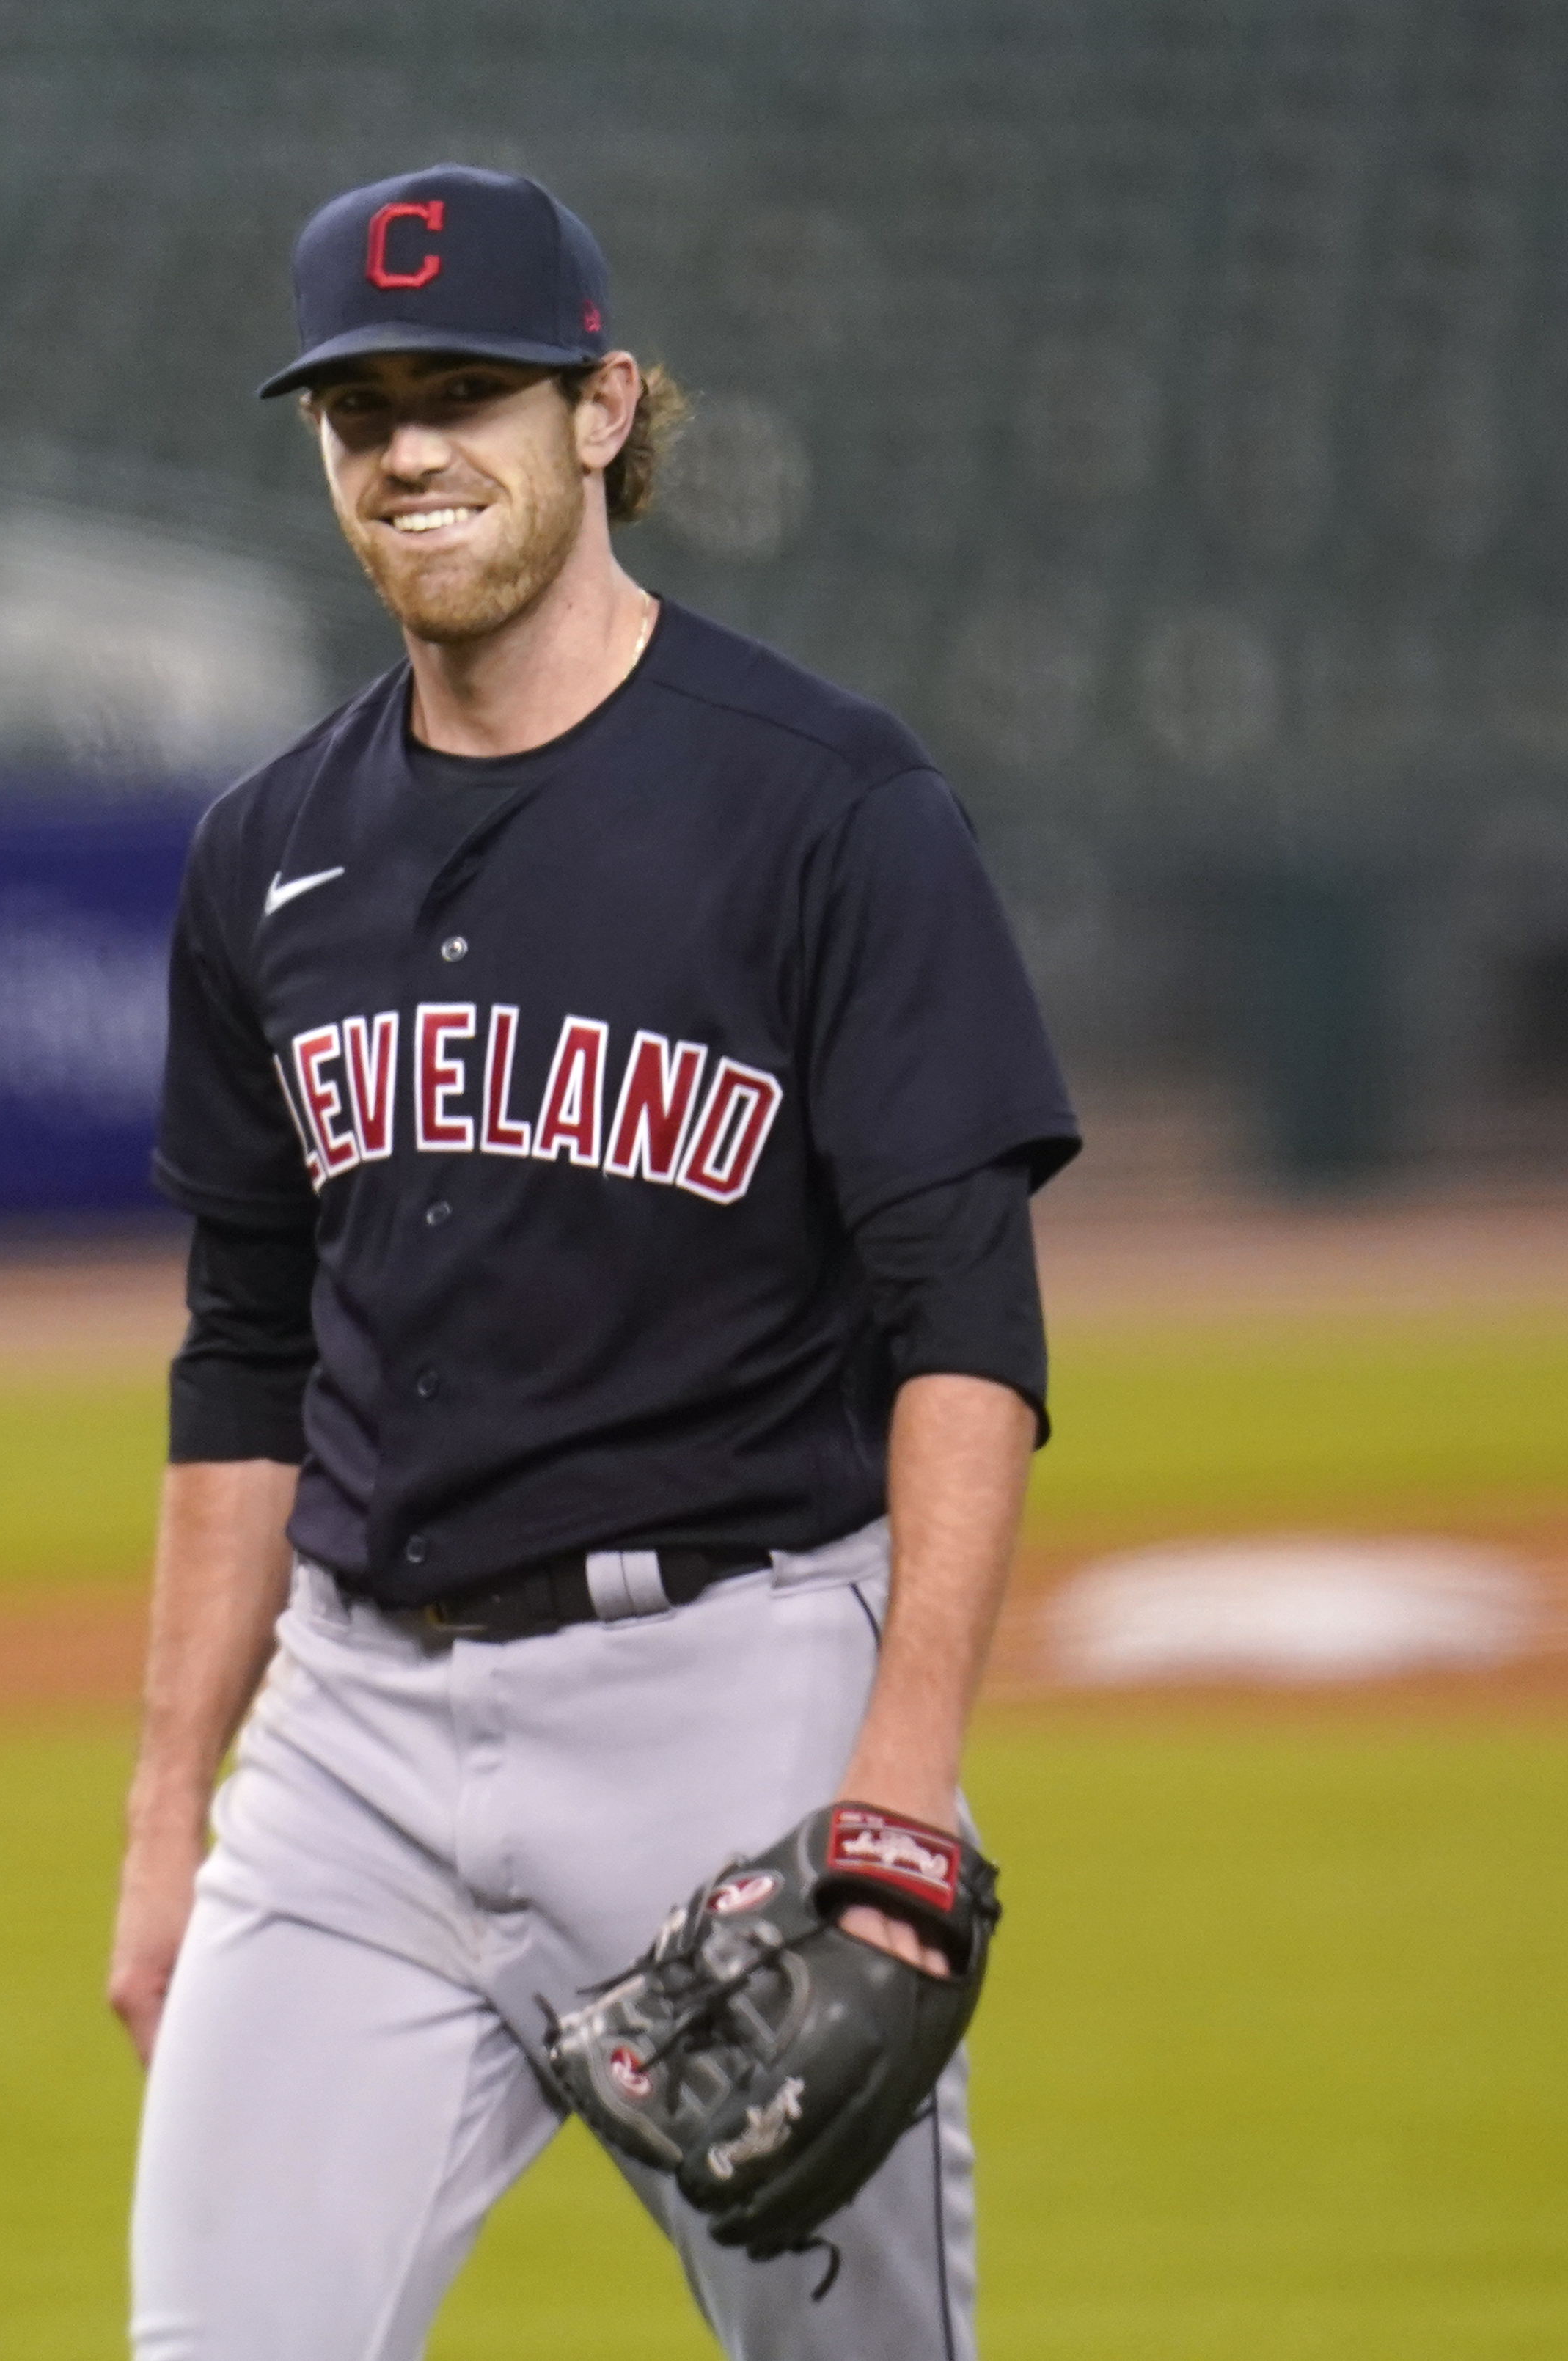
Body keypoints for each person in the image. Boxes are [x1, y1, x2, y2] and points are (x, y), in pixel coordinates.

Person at [110, 162, 1076, 2360]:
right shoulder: (264, 853)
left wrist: (897, 1785)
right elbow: (243, 1350)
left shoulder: (829, 802)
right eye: (363, 410)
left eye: (471, 391)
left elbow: (968, 1319)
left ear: (606, 408)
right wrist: (170, 1807)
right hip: (349, 1746)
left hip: (732, 1710)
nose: (414, 450)